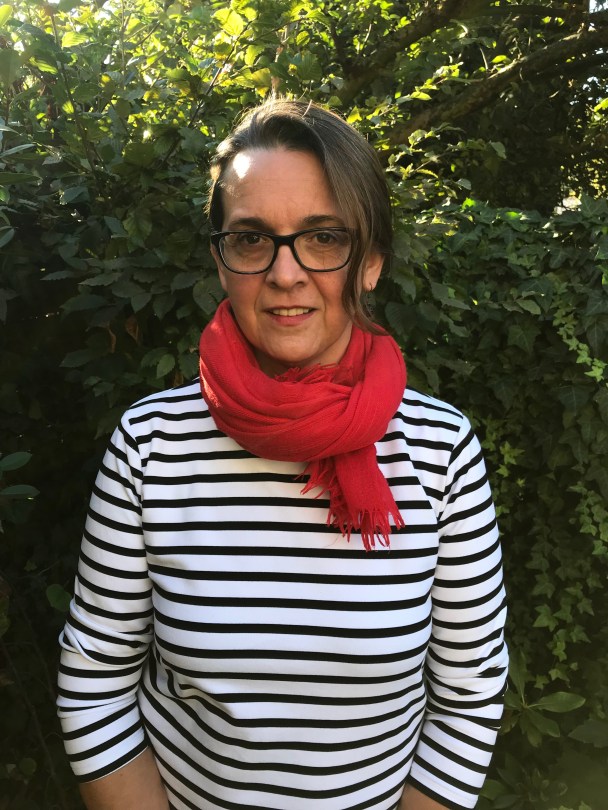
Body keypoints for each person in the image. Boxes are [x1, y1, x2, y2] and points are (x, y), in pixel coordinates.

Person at [57, 98, 508, 810]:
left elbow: (470, 690)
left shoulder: (440, 450)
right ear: (221, 259)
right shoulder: (151, 444)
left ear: (371, 262)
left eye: (323, 238)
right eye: (251, 239)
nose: (285, 273)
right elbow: (94, 677)